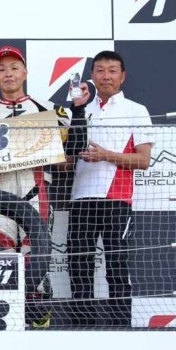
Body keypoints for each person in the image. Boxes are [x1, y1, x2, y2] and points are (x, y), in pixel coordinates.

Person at [0, 45, 89, 328]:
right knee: (2, 257)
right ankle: (5, 321)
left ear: (24, 73)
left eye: (14, 68)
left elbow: (75, 147)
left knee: (35, 254)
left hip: (36, 188)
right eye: (2, 69)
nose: (8, 74)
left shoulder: (48, 109)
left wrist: (79, 110)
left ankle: (38, 321)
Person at [68, 50, 153, 327]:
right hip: (81, 198)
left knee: (116, 266)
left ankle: (120, 326)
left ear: (122, 76)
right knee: (78, 266)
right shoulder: (80, 108)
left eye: (112, 70)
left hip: (117, 198)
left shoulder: (136, 110)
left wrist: (105, 155)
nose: (106, 76)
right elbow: (67, 161)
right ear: (92, 75)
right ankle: (81, 326)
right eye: (100, 70)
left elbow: (143, 160)